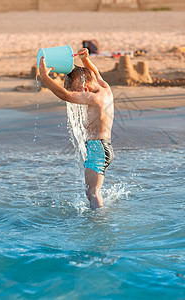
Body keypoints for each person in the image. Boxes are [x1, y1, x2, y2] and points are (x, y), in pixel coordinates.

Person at [39, 48, 114, 209]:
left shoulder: (94, 98)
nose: (76, 95)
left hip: (98, 149)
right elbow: (95, 72)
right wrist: (85, 60)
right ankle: (98, 214)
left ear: (85, 88)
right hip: (102, 147)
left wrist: (45, 77)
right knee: (91, 192)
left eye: (77, 90)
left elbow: (65, 95)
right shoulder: (105, 88)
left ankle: (100, 224)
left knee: (93, 193)